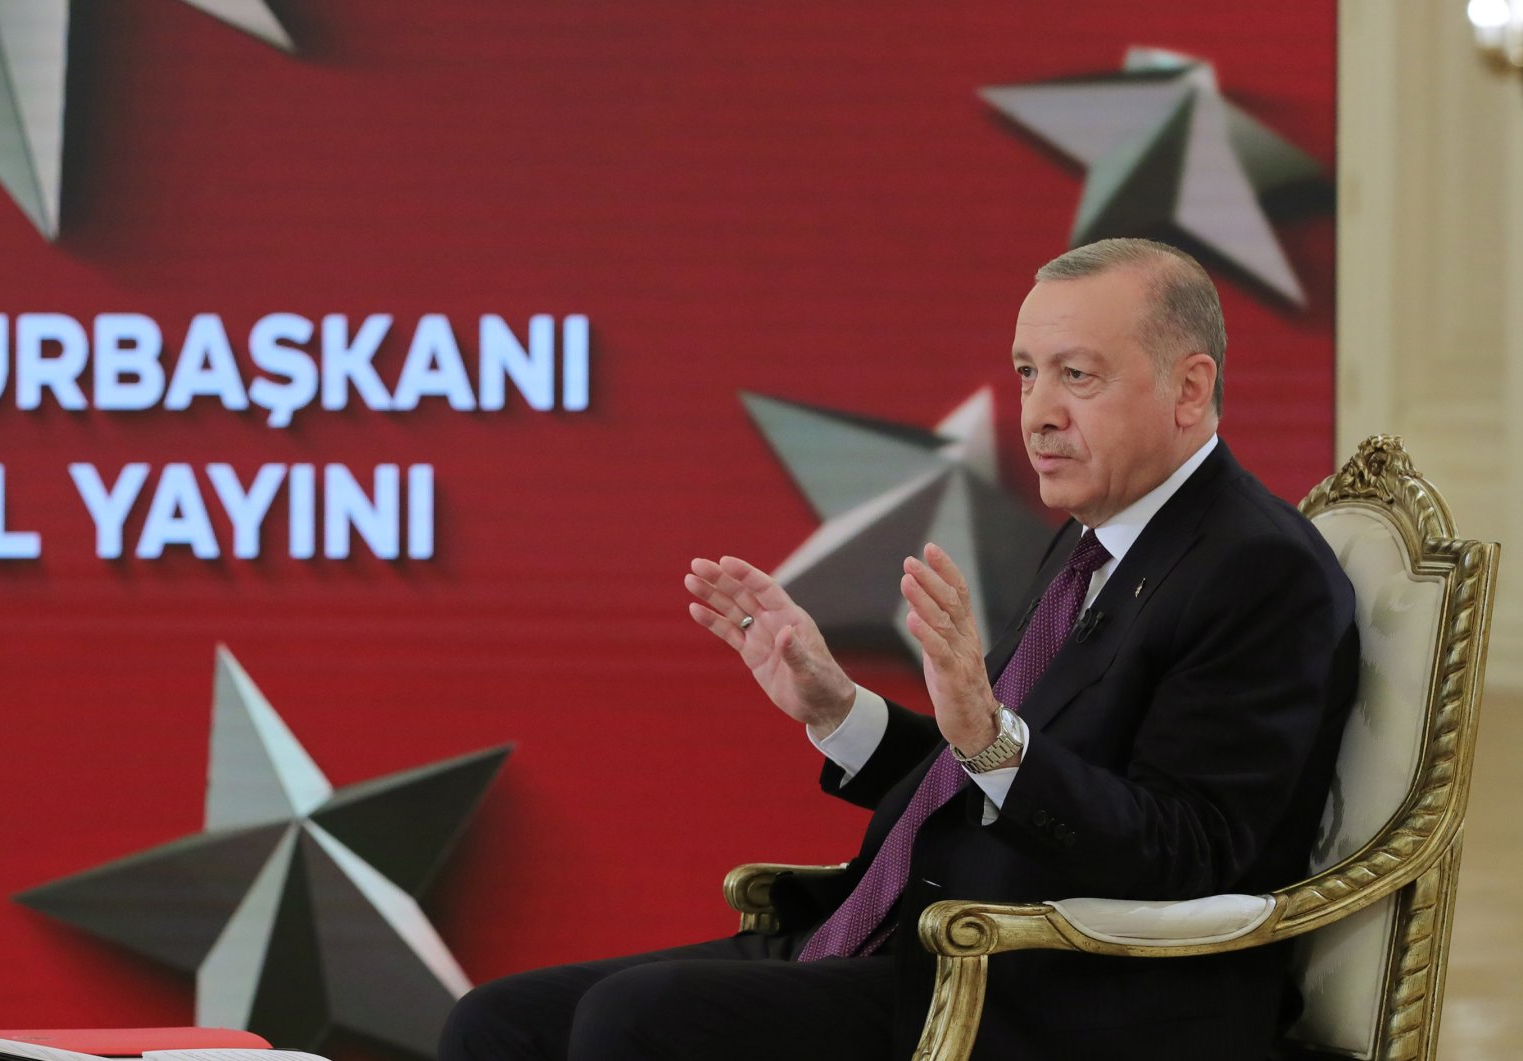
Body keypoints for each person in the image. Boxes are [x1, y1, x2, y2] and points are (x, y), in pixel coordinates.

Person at [438, 238, 1358, 1061]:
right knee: (498, 1022)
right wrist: (839, 709)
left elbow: (1187, 853)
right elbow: (986, 781)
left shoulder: (1256, 568)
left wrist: (992, 736)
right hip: (904, 938)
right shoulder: (1095, 540)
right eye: (1027, 372)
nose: (1037, 412)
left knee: (637, 1019)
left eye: (1078, 376)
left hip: (1051, 991)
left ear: (1189, 389)